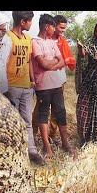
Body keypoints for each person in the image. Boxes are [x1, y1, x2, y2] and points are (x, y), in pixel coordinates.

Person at [32, 14, 74, 160]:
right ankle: (47, 147)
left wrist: (50, 65)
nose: (55, 29)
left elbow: (62, 61)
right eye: (52, 27)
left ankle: (65, 143)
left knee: (61, 113)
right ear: (46, 27)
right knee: (43, 115)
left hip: (57, 84)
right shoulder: (35, 42)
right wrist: (52, 64)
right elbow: (42, 64)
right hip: (42, 85)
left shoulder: (53, 42)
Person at [6, 11, 45, 166]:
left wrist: (33, 81)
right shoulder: (8, 38)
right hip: (12, 86)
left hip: (26, 87)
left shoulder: (28, 39)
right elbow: (4, 61)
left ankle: (31, 150)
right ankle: (14, 152)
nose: (31, 24)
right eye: (29, 21)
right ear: (22, 22)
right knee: (12, 121)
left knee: (27, 120)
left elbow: (28, 62)